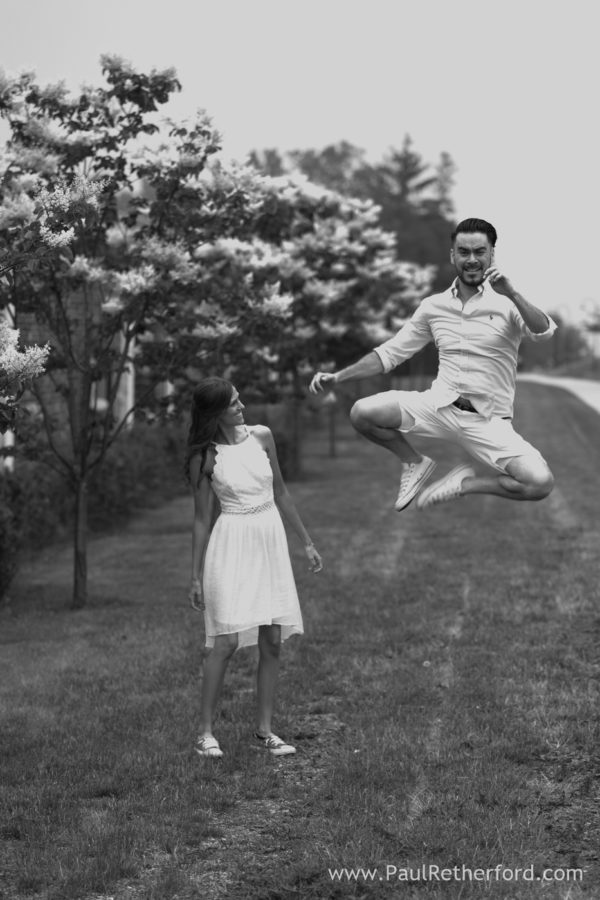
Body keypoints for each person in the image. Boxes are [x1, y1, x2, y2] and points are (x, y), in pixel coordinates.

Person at [310, 217, 556, 510]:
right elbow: (391, 353)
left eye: (480, 251)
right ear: (453, 255)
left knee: (539, 483)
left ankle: (464, 485)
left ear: (492, 254)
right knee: (362, 413)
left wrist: (513, 293)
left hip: (488, 420)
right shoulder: (433, 306)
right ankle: (414, 463)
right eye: (464, 252)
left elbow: (543, 332)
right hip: (438, 407)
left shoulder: (507, 303)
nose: (472, 259)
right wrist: (338, 377)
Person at [186, 377, 322, 760]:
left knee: (273, 640)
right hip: (230, 542)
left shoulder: (262, 436)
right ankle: (205, 733)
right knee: (226, 641)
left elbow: (280, 491)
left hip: (269, 539)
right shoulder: (205, 455)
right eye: (233, 404)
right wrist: (194, 576)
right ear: (215, 413)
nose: (242, 406)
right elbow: (200, 519)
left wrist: (307, 542)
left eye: (239, 399)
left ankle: (264, 730)